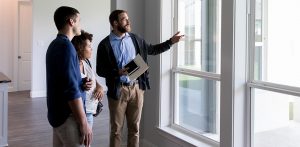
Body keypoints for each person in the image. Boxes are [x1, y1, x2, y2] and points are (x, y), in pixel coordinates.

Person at [96, 9, 184, 147]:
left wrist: (171, 42)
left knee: (135, 129)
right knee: (116, 131)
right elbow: (100, 70)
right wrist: (117, 72)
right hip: (118, 91)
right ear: (115, 23)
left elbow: (152, 50)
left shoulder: (135, 38)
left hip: (137, 89)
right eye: (124, 19)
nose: (128, 21)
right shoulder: (105, 44)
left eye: (127, 18)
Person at [46, 6, 92, 147]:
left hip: (57, 116)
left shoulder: (54, 44)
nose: (80, 25)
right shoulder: (66, 47)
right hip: (69, 118)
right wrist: (84, 122)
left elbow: (62, 80)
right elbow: (70, 91)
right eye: (79, 21)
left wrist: (80, 81)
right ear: (71, 22)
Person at [72, 30, 105, 128]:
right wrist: (81, 86)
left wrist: (100, 87)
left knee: (87, 143)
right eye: (89, 46)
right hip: (80, 113)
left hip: (90, 111)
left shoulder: (86, 61)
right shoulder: (73, 66)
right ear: (80, 48)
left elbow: (94, 78)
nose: (92, 49)